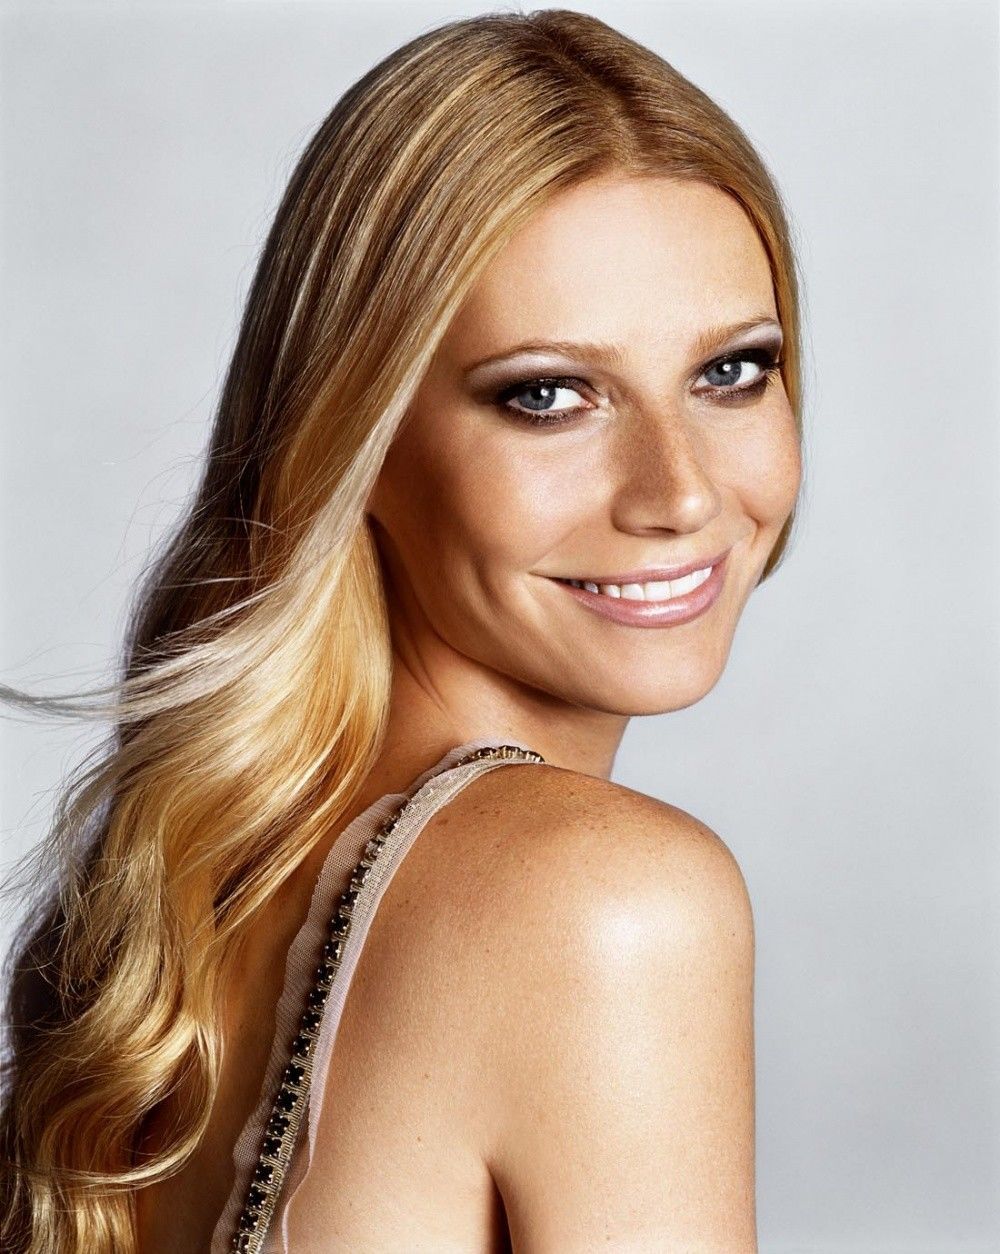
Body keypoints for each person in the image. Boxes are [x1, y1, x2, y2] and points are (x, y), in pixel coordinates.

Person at [0, 7, 804, 1252]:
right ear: (355, 436)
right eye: (548, 396)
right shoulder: (605, 903)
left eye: (731, 373)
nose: (680, 493)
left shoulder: (208, 870)